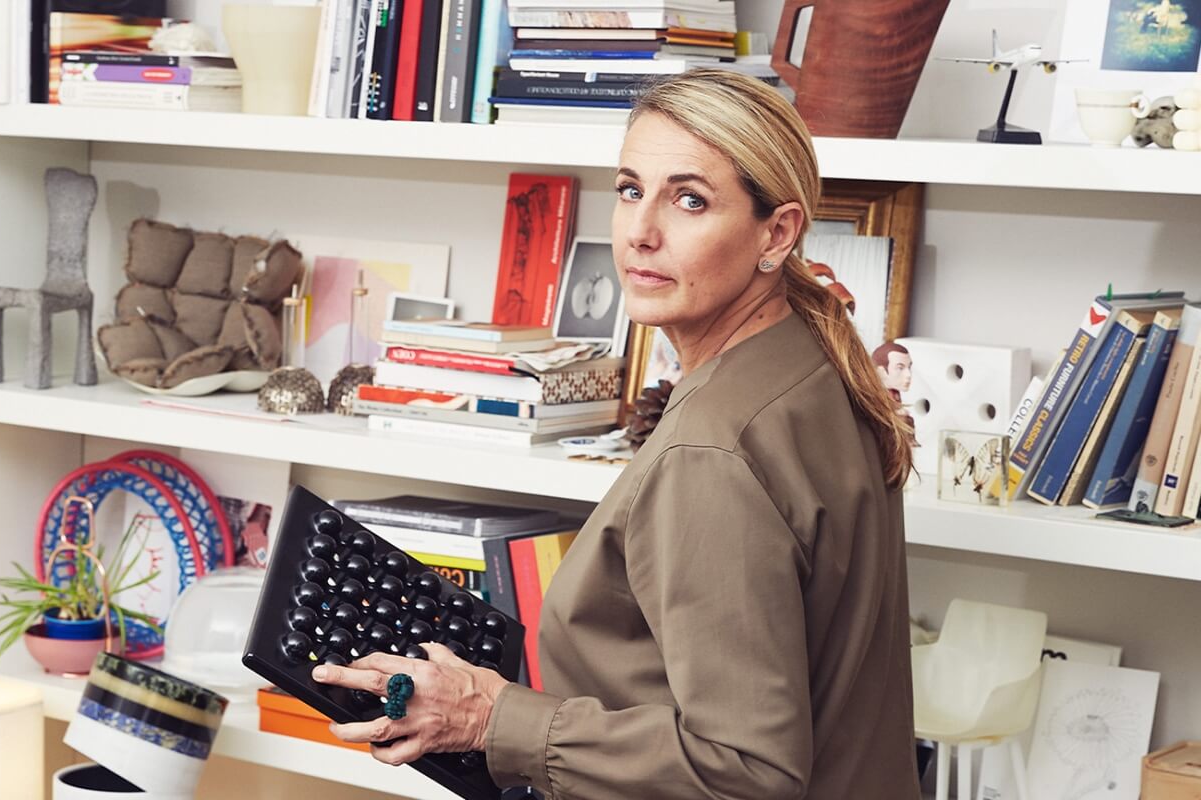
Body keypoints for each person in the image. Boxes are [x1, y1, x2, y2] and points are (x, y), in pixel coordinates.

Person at [313, 69, 921, 800]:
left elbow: (746, 772)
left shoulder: (713, 450)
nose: (640, 232)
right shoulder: (813, 367)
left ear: (777, 232)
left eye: (690, 200)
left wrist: (492, 719)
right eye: (631, 189)